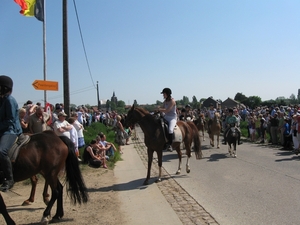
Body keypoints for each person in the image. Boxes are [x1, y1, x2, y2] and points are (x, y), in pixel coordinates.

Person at [0, 75, 22, 191]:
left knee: (1, 151)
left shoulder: (9, 100)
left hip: (11, 131)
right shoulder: (2, 100)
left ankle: (9, 178)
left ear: (4, 88)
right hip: (3, 129)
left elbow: (10, 120)